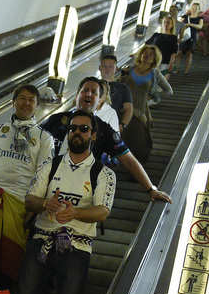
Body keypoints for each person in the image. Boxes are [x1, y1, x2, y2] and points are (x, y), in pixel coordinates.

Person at [0, 110, 116, 294]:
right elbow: (30, 199)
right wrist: (45, 205)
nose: (78, 133)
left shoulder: (103, 173)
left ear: (93, 135)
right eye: (73, 129)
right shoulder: (51, 163)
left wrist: (75, 213)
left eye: (84, 129)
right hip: (41, 240)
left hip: (77, 248)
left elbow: (103, 211)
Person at [0, 84, 54, 285]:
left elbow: (45, 173)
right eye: (22, 98)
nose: (26, 103)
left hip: (20, 204)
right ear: (13, 102)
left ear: (36, 105)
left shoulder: (44, 137)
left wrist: (34, 206)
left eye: (31, 100)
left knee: (12, 257)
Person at [42, 76, 171, 203]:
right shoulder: (55, 121)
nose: (88, 94)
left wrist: (151, 189)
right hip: (45, 187)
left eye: (94, 92)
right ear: (77, 96)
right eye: (84, 90)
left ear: (99, 102)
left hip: (79, 194)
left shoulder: (104, 130)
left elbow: (129, 160)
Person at [120, 45, 172, 163]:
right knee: (125, 137)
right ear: (141, 54)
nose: (147, 56)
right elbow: (120, 86)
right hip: (125, 108)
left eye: (151, 55)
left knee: (138, 140)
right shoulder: (130, 69)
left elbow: (169, 91)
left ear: (154, 59)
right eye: (145, 53)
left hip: (140, 111)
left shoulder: (155, 73)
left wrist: (153, 96)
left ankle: (137, 164)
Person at [99, 54, 133, 131]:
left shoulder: (123, 88)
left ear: (116, 69)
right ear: (100, 68)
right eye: (104, 66)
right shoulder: (92, 84)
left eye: (110, 66)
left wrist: (122, 125)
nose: (107, 69)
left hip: (113, 126)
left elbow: (128, 108)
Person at [176, 3, 204, 73]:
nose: (194, 9)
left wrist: (190, 24)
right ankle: (176, 69)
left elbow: (200, 26)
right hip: (184, 36)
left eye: (196, 8)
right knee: (179, 53)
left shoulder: (200, 18)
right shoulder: (185, 16)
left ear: (199, 9)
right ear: (190, 8)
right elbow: (178, 24)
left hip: (192, 36)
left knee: (189, 53)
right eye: (193, 7)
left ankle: (186, 70)